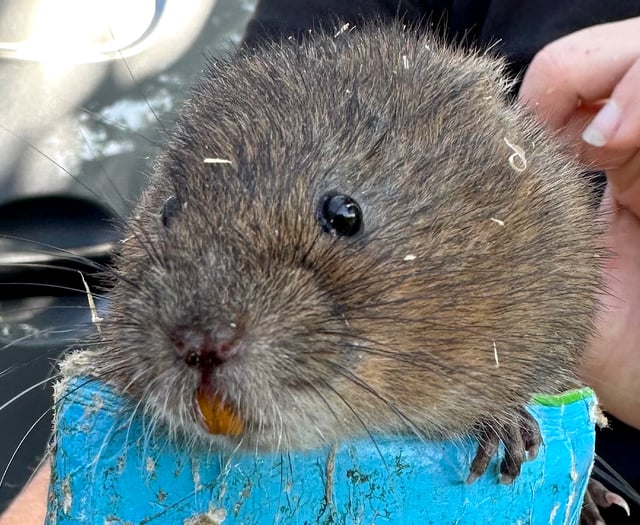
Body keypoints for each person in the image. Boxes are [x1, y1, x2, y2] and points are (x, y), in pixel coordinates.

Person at [3, 3, 639, 523]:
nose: (203, 336)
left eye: (341, 219)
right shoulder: (287, 72)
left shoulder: (524, 234)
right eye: (172, 216)